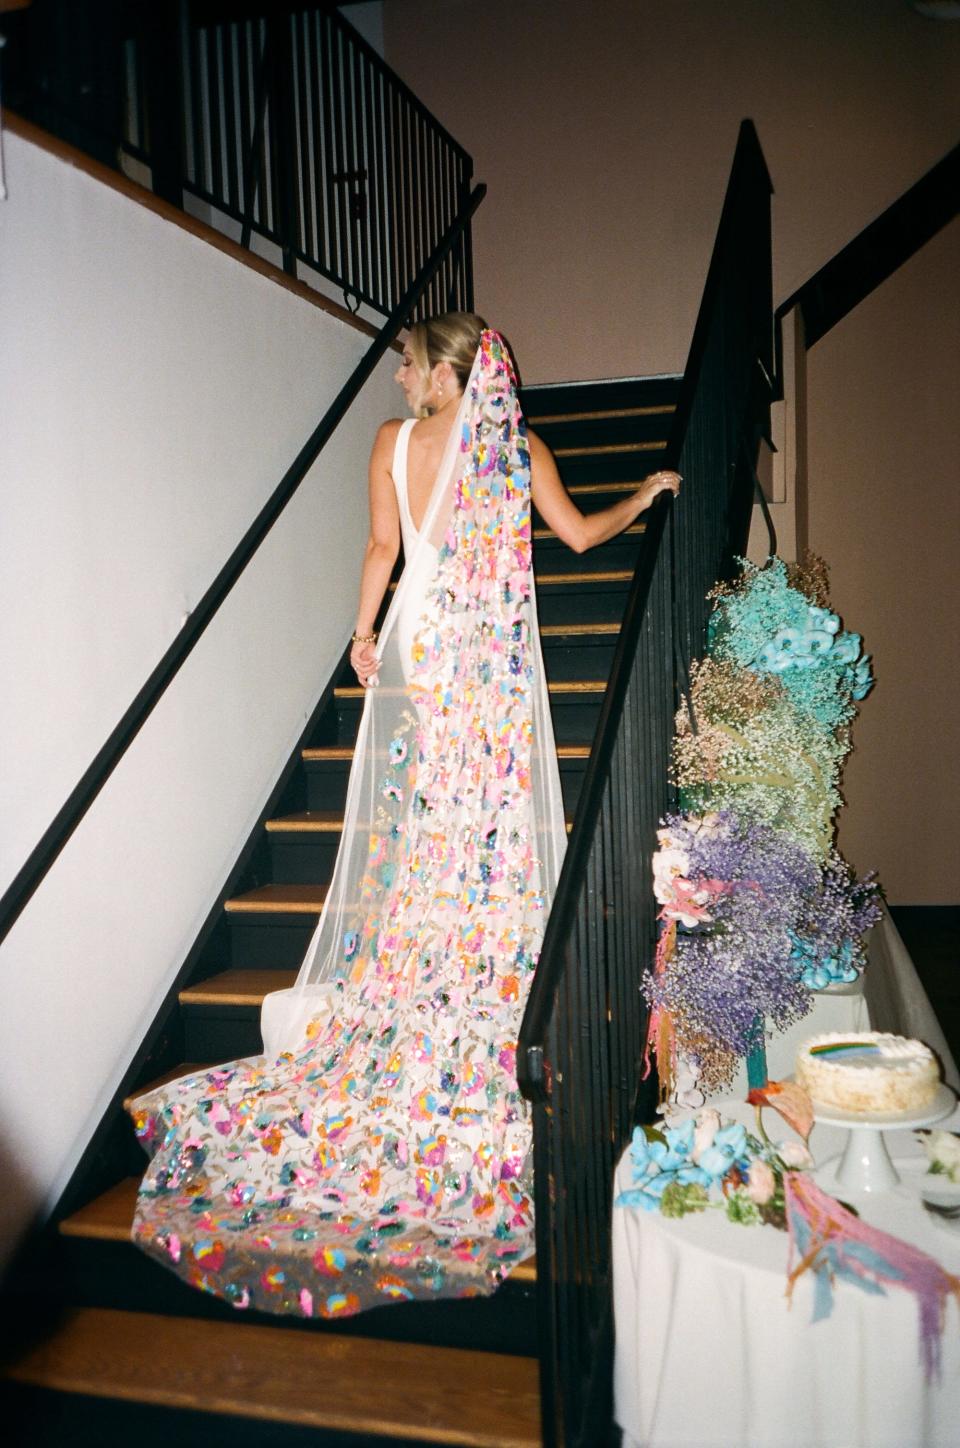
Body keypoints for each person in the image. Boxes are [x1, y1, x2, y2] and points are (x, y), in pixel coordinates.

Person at [128, 316, 680, 1319]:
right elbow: (578, 536)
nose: (398, 369)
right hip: (491, 666)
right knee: (484, 828)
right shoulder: (517, 451)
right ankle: (476, 967)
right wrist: (641, 494)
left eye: (410, 358)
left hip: (429, 651)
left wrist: (364, 633)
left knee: (431, 830)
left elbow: (385, 546)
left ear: (438, 369)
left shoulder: (390, 442)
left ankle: (429, 963)